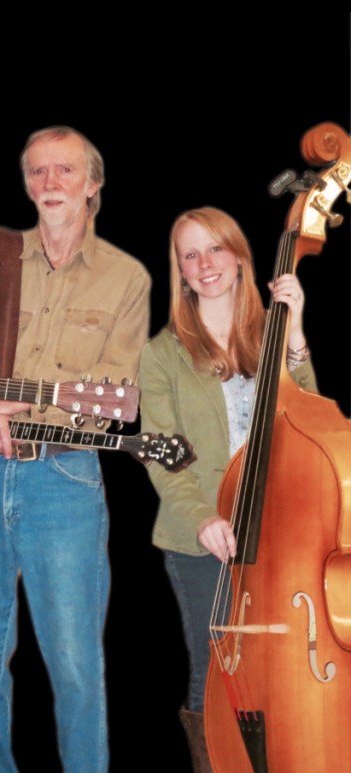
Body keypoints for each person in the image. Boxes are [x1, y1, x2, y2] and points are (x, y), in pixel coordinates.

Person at [0, 126, 151, 772]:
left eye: (65, 171)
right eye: (38, 172)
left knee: (76, 669)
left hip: (64, 481)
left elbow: (118, 398)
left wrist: (19, 405)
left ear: (93, 184)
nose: (49, 183)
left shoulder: (126, 276)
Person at [138, 206, 313, 770]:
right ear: (181, 272)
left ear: (240, 257)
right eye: (190, 254)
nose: (204, 263)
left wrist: (298, 333)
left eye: (215, 248)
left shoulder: (270, 336)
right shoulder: (161, 354)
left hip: (281, 531)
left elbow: (308, 421)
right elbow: (162, 457)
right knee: (215, 676)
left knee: (286, 668)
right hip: (202, 542)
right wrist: (203, 518)